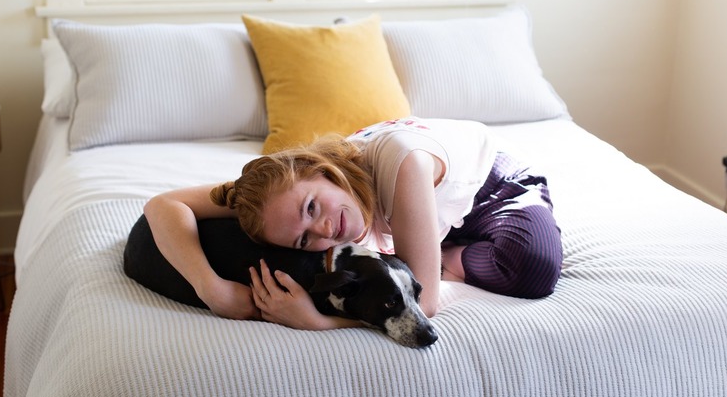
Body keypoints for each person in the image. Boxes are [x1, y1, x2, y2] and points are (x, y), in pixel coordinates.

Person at [144, 117, 562, 330]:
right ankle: (430, 243)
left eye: (312, 208)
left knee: (530, 265)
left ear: (321, 169)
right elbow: (164, 205)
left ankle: (446, 254)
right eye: (303, 239)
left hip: (493, 189)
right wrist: (211, 287)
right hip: (421, 207)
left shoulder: (402, 162)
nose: (325, 231)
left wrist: (319, 322)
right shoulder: (275, 197)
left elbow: (424, 305)